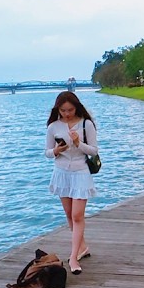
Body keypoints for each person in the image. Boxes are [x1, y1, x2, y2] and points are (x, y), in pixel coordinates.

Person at [46, 91, 98, 274]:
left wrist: (78, 143)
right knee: (69, 214)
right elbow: (47, 152)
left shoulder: (86, 124)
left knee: (77, 216)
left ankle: (74, 257)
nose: (67, 114)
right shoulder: (53, 126)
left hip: (81, 172)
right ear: (58, 110)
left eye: (70, 110)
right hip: (61, 172)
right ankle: (83, 247)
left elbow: (93, 150)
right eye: (63, 110)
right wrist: (56, 150)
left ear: (76, 107)